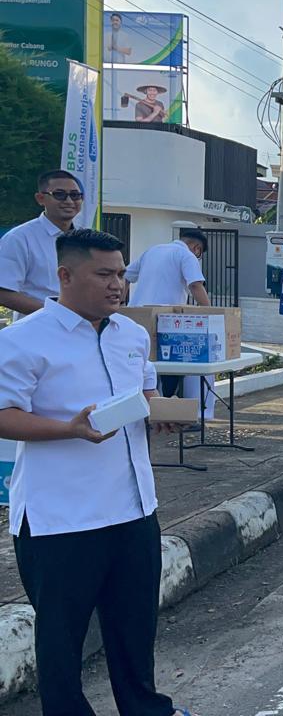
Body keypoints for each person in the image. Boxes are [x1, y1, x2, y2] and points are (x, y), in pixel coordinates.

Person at [0, 229, 195, 716]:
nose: (117, 286)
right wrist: (69, 429)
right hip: (60, 517)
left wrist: (161, 413)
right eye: (104, 274)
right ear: (65, 275)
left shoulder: (131, 334)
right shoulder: (22, 340)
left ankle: (146, 709)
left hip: (133, 508)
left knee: (134, 627)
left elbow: (143, 396)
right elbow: (4, 414)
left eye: (122, 275)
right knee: (61, 640)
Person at [125, 229, 214, 418]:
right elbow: (196, 285)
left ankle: (144, 412)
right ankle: (168, 411)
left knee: (142, 366)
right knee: (173, 366)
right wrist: (211, 314)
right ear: (197, 249)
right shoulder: (186, 255)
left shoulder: (152, 250)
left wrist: (121, 304)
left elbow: (125, 276)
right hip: (164, 320)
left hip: (136, 316)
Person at [0, 170, 84, 319]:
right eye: (59, 194)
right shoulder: (19, 238)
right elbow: (4, 292)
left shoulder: (86, 239)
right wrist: (57, 315)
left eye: (75, 195)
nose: (69, 201)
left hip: (83, 329)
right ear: (40, 199)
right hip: (37, 332)